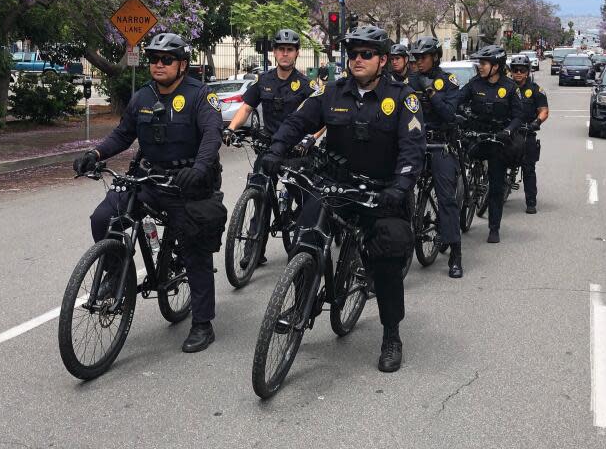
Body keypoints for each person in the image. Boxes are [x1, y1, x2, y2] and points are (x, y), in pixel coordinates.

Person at [260, 25, 426, 373]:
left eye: (366, 54)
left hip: (380, 192)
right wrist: (275, 150)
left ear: (382, 60)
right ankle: (301, 296)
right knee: (306, 235)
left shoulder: (402, 97)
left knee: (387, 257)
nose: (358, 60)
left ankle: (391, 334)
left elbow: (413, 150)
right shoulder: (331, 92)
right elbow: (297, 121)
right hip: (336, 186)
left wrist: (400, 188)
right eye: (353, 54)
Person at [73, 33, 223, 353]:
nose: (158, 65)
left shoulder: (199, 95)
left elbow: (212, 135)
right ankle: (115, 277)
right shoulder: (143, 96)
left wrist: (198, 169)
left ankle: (202, 323)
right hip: (149, 178)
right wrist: (96, 155)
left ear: (182, 65)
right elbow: (123, 134)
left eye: (166, 60)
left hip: (188, 183)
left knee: (195, 248)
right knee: (103, 217)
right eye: (154, 59)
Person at [222, 29, 317, 265]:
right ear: (274, 52)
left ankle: (305, 243)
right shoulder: (262, 81)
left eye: (290, 49)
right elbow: (246, 108)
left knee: (304, 197)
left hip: (296, 151)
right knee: (259, 196)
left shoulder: (305, 84)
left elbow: (321, 115)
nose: (285, 54)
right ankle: (253, 251)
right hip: (268, 148)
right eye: (281, 49)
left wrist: (311, 138)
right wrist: (231, 129)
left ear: (296, 53)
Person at [454, 44, 523, 244]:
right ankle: (464, 194)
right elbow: (457, 100)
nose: (480, 67)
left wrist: (508, 131)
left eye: (484, 63)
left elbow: (518, 116)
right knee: (457, 170)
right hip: (475, 136)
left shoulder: (510, 87)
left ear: (496, 66)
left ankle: (494, 227)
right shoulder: (474, 84)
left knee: (496, 184)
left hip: (497, 141)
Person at [407, 37, 463, 278]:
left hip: (440, 143)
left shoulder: (447, 81)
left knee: (446, 198)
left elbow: (450, 114)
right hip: (415, 143)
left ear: (435, 57)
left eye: (423, 57)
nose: (418, 62)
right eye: (416, 58)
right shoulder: (409, 81)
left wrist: (431, 92)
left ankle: (456, 255)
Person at [509, 55, 549, 214]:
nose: (518, 73)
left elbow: (544, 111)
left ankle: (531, 201)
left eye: (522, 70)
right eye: (515, 70)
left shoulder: (535, 90)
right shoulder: (506, 87)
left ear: (527, 72)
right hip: (507, 131)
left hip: (526, 132)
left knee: (528, 168)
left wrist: (536, 123)